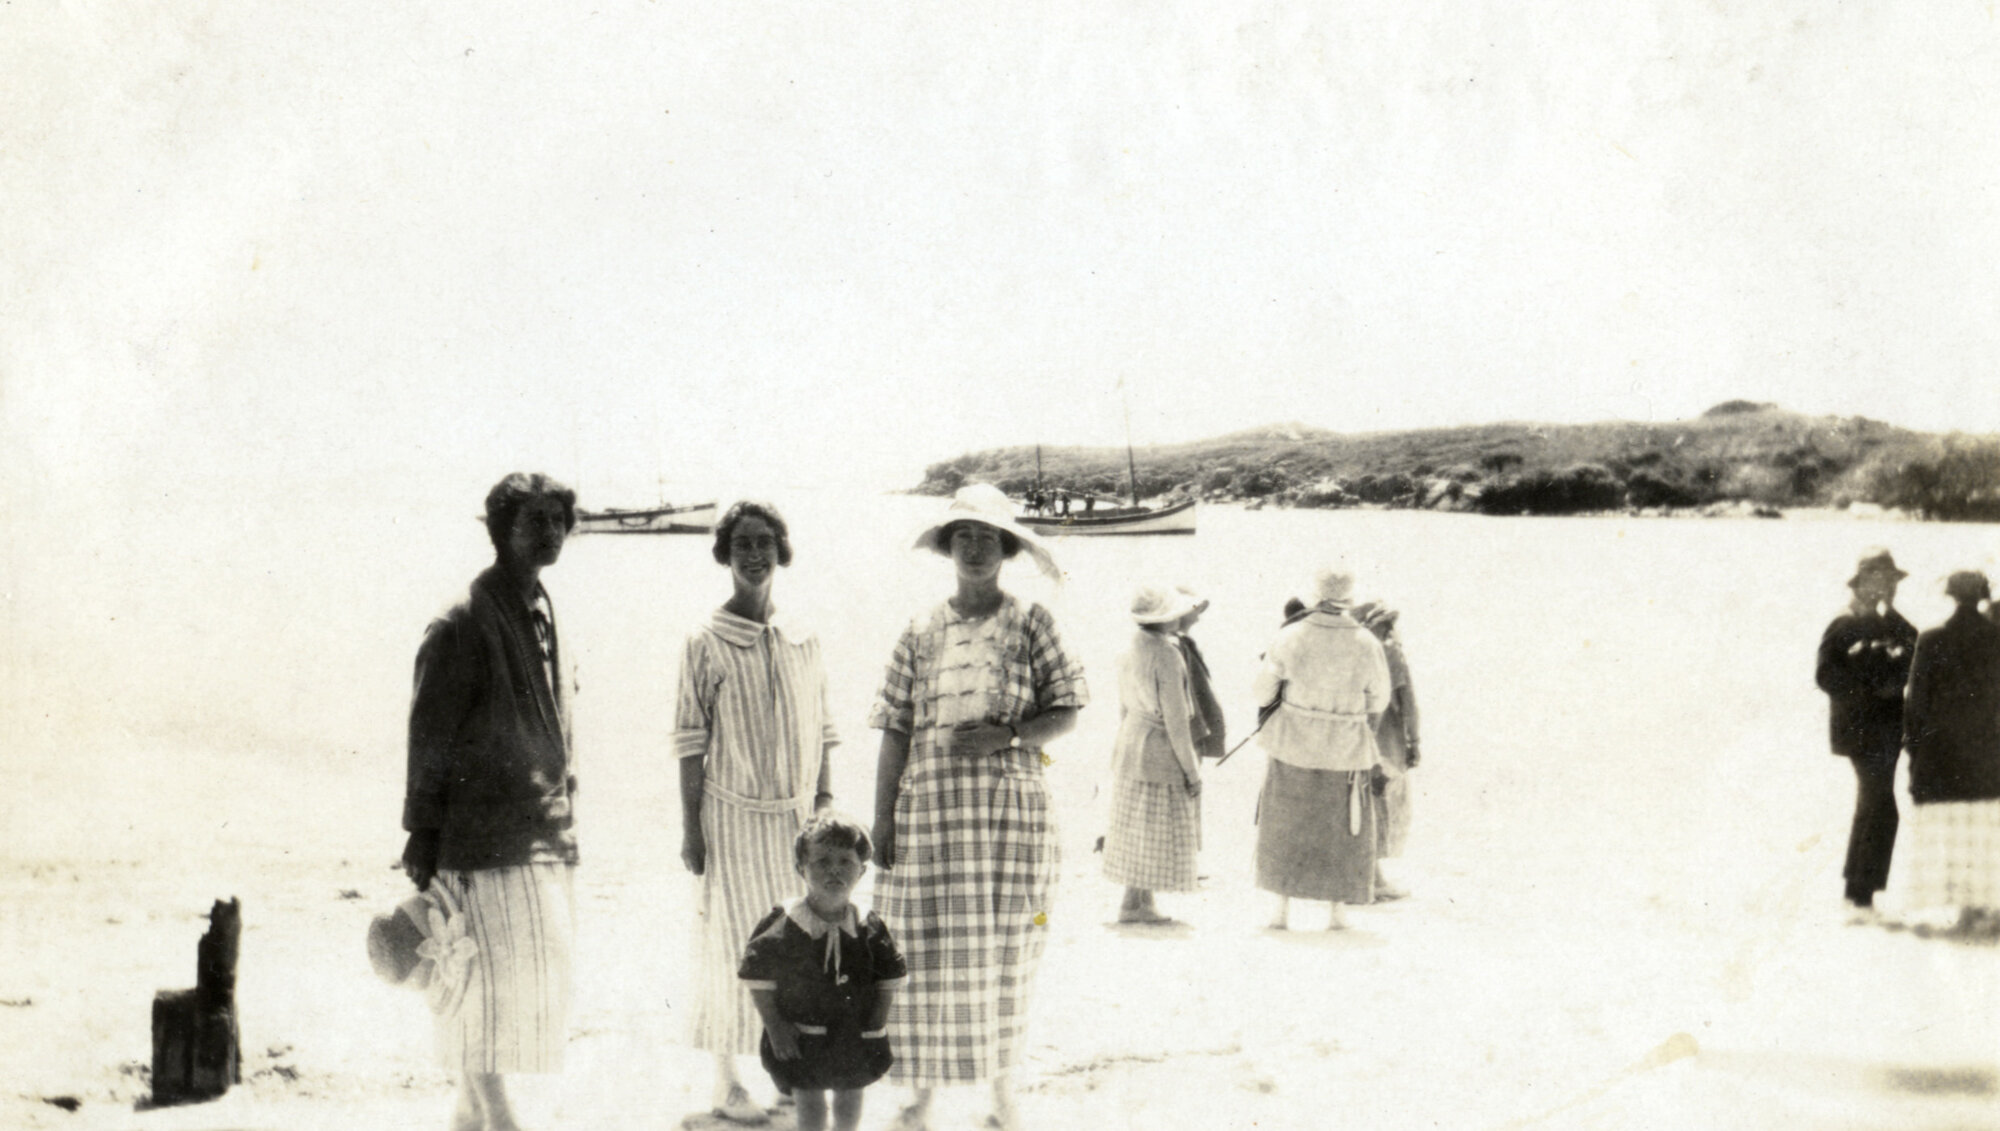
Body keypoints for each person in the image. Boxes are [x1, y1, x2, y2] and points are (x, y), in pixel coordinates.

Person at [868, 483, 1088, 1131]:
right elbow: (895, 728)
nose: (973, 547)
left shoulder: (1032, 622)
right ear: (947, 546)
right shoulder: (919, 628)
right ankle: (920, 1096)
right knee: (919, 950)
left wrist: (1010, 735)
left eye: (986, 536)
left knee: (1004, 948)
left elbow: (1068, 709)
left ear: (1007, 547)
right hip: (928, 811)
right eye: (962, 534)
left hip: (1007, 815)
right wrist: (882, 817)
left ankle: (1002, 1094)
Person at [402, 472, 580, 1131]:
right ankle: (496, 1114)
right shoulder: (461, 621)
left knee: (528, 979)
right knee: (479, 983)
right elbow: (429, 735)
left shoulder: (541, 607)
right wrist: (421, 831)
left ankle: (469, 1114)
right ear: (500, 528)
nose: (550, 531)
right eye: (535, 519)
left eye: (559, 519)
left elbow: (559, 724)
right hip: (476, 835)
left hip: (539, 827)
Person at [676, 501, 840, 1122]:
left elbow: (825, 725)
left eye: (764, 541)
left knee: (798, 948)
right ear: (724, 553)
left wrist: (825, 801)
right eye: (741, 543)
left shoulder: (803, 634)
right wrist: (691, 830)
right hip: (732, 817)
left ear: (781, 549)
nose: (754, 554)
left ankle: (786, 1071)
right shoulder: (705, 640)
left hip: (798, 820)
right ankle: (726, 1081)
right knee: (733, 945)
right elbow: (690, 743)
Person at [739, 814, 907, 1131]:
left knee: (851, 1092)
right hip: (803, 1033)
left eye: (846, 860)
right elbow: (758, 978)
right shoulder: (787, 921)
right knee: (810, 1099)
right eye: (821, 861)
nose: (834, 869)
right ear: (801, 868)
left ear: (862, 870)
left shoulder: (866, 924)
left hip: (855, 1032)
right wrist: (775, 1025)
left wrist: (877, 1024)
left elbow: (888, 977)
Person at [1251, 564, 1391, 931]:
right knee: (1344, 826)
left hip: (1292, 740)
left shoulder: (1291, 635)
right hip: (1346, 745)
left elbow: (1262, 690)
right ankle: (1337, 913)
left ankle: (1281, 910)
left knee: (1285, 822)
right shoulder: (1366, 642)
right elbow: (1378, 700)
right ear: (1348, 600)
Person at [1815, 548, 1917, 920]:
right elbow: (1825, 676)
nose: (1888, 586)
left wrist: (1891, 610)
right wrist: (1871, 689)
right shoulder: (1843, 623)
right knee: (1878, 805)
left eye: (1891, 581)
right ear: (1863, 581)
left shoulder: (1885, 622)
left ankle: (1858, 894)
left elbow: (1916, 648)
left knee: (1874, 806)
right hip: (1859, 729)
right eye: (1881, 579)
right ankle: (1859, 896)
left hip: (1888, 728)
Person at [1901, 570, 2000, 932]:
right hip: (1987, 752)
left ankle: (1958, 907)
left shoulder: (1932, 639)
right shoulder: (1996, 639)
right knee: (1985, 830)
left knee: (1950, 831)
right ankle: (1986, 908)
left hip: (1942, 753)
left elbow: (1916, 704)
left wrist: (1914, 751)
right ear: (1983, 596)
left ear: (1951, 597)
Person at [1104, 586, 1205, 925]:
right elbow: (1177, 722)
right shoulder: (1166, 652)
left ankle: (1136, 901)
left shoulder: (1128, 647)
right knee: (1154, 824)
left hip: (1131, 741)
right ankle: (1135, 903)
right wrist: (1192, 772)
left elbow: (1122, 707)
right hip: (1158, 747)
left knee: (1135, 824)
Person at [1354, 601, 1421, 901]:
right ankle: (1375, 879)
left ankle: (1366, 876)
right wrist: (1414, 742)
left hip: (1359, 741)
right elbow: (1409, 704)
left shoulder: (1359, 653)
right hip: (1388, 743)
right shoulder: (1393, 653)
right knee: (1382, 810)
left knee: (1362, 805)